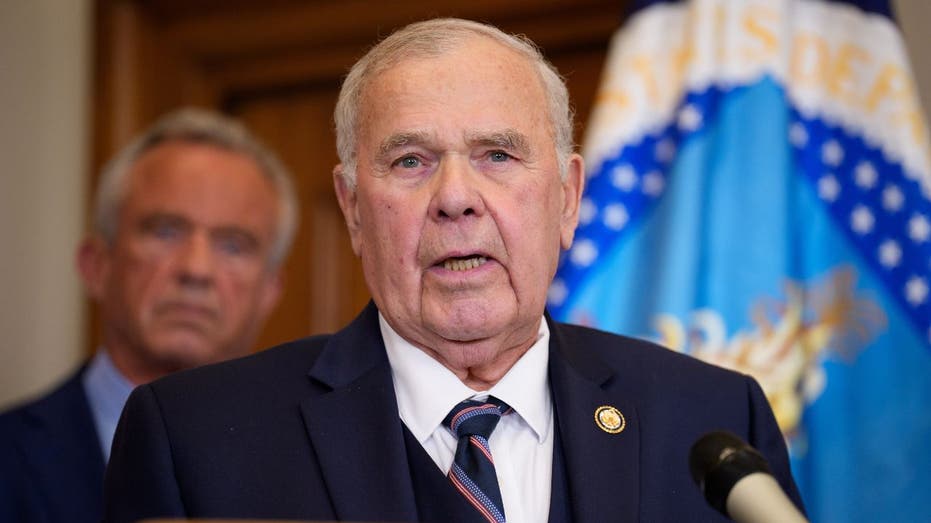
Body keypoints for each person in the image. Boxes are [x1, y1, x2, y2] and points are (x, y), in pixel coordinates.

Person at [103, 18, 804, 523]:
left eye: (498, 154)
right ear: (352, 209)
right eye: (410, 160)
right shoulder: (193, 437)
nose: (456, 197)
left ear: (567, 198)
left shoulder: (711, 422)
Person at [0, 108, 298, 523]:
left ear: (269, 292)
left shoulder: (310, 475)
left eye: (233, 245)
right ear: (96, 266)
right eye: (165, 231)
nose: (196, 270)